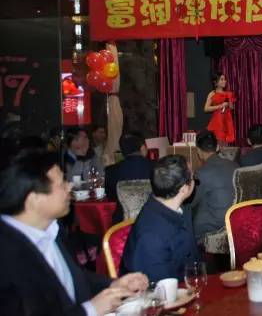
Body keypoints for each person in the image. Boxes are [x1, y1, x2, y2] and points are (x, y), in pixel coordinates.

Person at [0, 149, 148, 316]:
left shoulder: (52, 229)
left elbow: (74, 278)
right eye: (62, 183)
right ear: (34, 199)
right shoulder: (6, 255)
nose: (69, 186)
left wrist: (114, 285)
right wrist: (91, 309)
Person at [121, 154, 200, 282]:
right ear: (184, 190)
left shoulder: (180, 208)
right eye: (193, 177)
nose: (195, 181)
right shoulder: (151, 236)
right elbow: (160, 287)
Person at [191, 130, 239, 242]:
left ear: (198, 151)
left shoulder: (201, 173)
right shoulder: (235, 165)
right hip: (235, 224)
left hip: (212, 231)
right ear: (217, 147)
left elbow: (192, 202)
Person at [105, 132, 154, 223]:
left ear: (122, 151)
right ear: (143, 148)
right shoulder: (157, 168)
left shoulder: (111, 171)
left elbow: (111, 199)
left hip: (122, 224)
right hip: (152, 219)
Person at [204, 73, 235, 145]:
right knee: (217, 142)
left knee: (225, 144)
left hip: (227, 120)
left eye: (225, 79)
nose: (224, 81)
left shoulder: (228, 93)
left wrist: (229, 102)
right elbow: (206, 108)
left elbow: (232, 108)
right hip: (217, 121)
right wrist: (220, 106)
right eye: (222, 79)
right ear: (215, 82)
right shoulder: (212, 93)